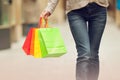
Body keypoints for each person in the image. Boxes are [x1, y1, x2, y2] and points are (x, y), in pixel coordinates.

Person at [40, 0, 109, 80]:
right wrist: (49, 8)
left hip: (99, 8)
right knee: (84, 53)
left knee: (93, 54)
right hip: (76, 10)